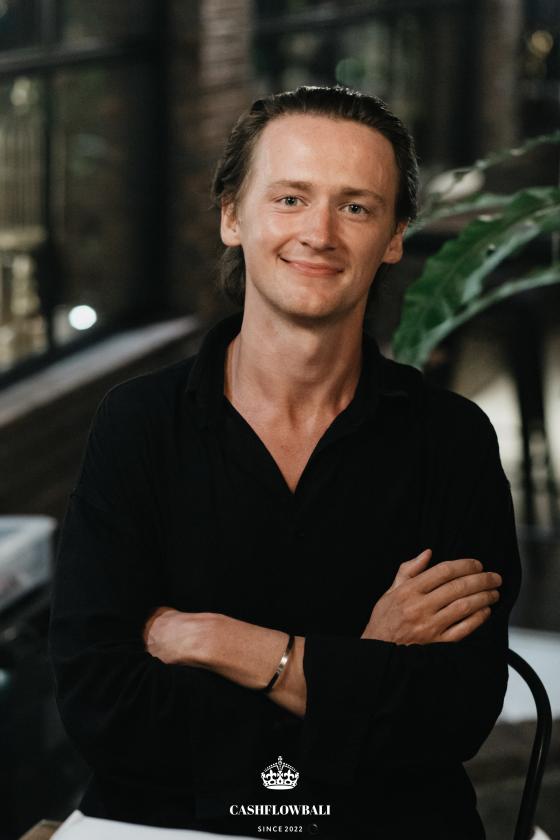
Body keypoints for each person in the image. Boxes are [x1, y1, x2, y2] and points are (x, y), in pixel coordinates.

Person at [48, 86, 521, 840]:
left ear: (394, 237)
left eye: (356, 207)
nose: (320, 233)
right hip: (170, 829)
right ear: (233, 216)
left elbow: (452, 715)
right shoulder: (138, 425)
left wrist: (219, 642)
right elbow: (103, 710)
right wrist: (362, 665)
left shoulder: (451, 438)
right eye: (291, 198)